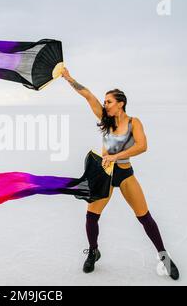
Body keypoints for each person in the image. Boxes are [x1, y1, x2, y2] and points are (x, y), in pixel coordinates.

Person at [61, 67, 179, 280]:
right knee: (91, 216)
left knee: (145, 217)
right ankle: (93, 251)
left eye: (109, 101)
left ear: (120, 103)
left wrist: (117, 156)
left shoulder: (134, 122)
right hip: (104, 175)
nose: (105, 104)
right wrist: (70, 79)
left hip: (125, 174)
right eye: (105, 101)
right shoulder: (105, 119)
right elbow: (87, 95)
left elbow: (142, 146)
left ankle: (164, 255)